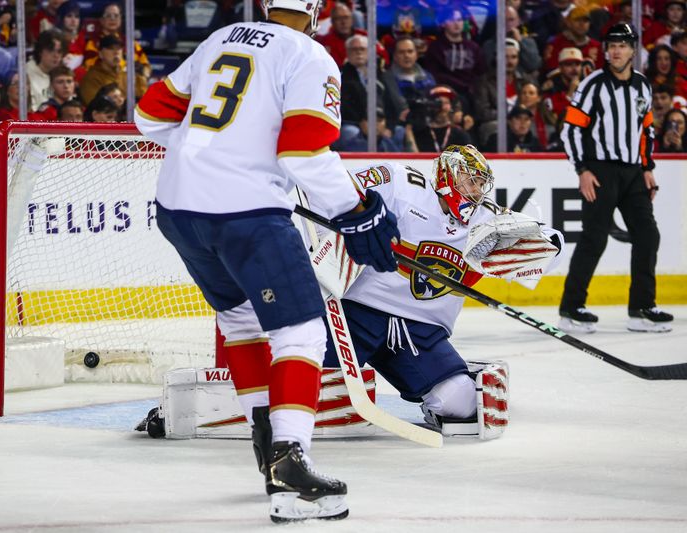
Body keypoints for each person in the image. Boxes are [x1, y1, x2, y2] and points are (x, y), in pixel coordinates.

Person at [133, 0, 400, 522]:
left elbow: (148, 117)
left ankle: (264, 433)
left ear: (265, 3)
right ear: (316, 8)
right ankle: (289, 462)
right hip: (246, 216)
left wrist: (218, 157)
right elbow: (303, 153)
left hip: (178, 208)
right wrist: (357, 209)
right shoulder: (312, 55)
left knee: (240, 320)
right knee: (301, 332)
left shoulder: (221, 37)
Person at [317, 146, 561, 436]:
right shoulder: (403, 184)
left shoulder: (487, 219)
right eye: (470, 180)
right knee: (313, 391)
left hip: (419, 330)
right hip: (355, 315)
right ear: (447, 175)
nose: (476, 190)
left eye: (482, 184)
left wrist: (536, 241)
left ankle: (450, 371)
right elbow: (343, 188)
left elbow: (550, 243)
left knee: (462, 401)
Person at [558, 23, 673, 333]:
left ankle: (641, 308)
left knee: (648, 235)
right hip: (600, 171)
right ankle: (571, 309)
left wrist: (647, 167)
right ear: (606, 50)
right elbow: (570, 128)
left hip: (634, 173)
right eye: (612, 45)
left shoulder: (642, 86)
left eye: (623, 45)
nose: (617, 50)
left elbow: (646, 130)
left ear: (634, 49)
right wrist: (582, 170)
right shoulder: (593, 84)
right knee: (593, 239)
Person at [78, 34, 125, 108]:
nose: (116, 52)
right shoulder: (92, 78)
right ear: (100, 54)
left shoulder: (128, 75)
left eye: (119, 48)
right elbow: (96, 107)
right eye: (110, 48)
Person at [26, 29, 67, 111]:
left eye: (59, 51)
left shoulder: (62, 74)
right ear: (40, 51)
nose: (56, 55)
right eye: (51, 50)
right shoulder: (26, 73)